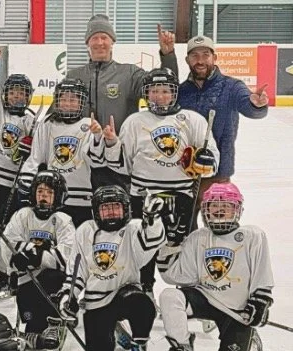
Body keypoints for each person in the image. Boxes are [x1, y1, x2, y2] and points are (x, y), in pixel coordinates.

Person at [102, 67, 218, 293]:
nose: (159, 96)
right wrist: (112, 144)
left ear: (174, 93)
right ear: (146, 94)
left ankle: (187, 293)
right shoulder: (135, 121)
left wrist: (207, 160)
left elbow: (211, 161)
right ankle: (144, 289)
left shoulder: (192, 119)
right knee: (144, 246)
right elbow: (122, 165)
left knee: (183, 247)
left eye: (165, 91)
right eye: (154, 91)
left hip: (183, 196)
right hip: (144, 195)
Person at [152, 182, 273, 351]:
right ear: (205, 211)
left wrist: (259, 303)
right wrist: (170, 244)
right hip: (205, 299)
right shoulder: (198, 237)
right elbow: (177, 277)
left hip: (236, 309)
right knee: (170, 296)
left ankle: (253, 345)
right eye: (213, 206)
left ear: (237, 210)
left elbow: (262, 275)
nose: (218, 211)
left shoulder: (252, 236)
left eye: (225, 206)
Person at [59, 185, 165, 351]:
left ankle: (139, 343)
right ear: (96, 211)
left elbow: (151, 241)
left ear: (125, 208)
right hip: (96, 302)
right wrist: (69, 296)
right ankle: (114, 329)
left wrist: (152, 219)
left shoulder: (132, 229)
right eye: (105, 208)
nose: (110, 212)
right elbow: (77, 269)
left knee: (142, 304)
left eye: (115, 206)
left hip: (125, 294)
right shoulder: (86, 230)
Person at [66, 14, 178, 191]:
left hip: (119, 161)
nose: (99, 42)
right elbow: (57, 114)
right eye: (94, 38)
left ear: (112, 42)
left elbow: (165, 89)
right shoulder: (74, 76)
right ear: (88, 43)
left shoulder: (129, 73)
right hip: (81, 159)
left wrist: (167, 55)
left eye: (104, 37)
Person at [177, 35, 269, 198]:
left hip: (218, 173)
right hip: (184, 173)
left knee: (218, 222)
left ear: (215, 57)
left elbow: (250, 109)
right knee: (184, 223)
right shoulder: (181, 91)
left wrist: (256, 105)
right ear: (187, 60)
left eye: (206, 55)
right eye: (195, 56)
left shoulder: (232, 87)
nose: (200, 61)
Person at [0, 169, 75, 350]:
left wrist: (35, 256)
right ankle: (36, 329)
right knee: (33, 321)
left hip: (53, 280)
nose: (44, 197)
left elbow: (67, 256)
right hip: (26, 278)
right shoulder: (22, 215)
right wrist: (17, 259)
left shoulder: (63, 220)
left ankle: (56, 322)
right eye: (40, 192)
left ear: (58, 196)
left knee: (53, 277)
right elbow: (8, 244)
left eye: (49, 193)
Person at [0, 73, 38, 299]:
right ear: (5, 95)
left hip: (16, 183)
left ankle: (14, 273)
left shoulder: (32, 121)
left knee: (12, 231)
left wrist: (30, 149)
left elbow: (38, 152)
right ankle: (2, 273)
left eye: (22, 93)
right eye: (13, 92)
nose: (17, 97)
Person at [19, 79, 108, 226]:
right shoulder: (48, 123)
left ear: (82, 102)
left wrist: (98, 136)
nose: (67, 103)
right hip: (53, 198)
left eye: (73, 99)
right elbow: (35, 157)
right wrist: (27, 180)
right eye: (63, 99)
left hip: (82, 199)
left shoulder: (88, 124)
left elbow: (97, 161)